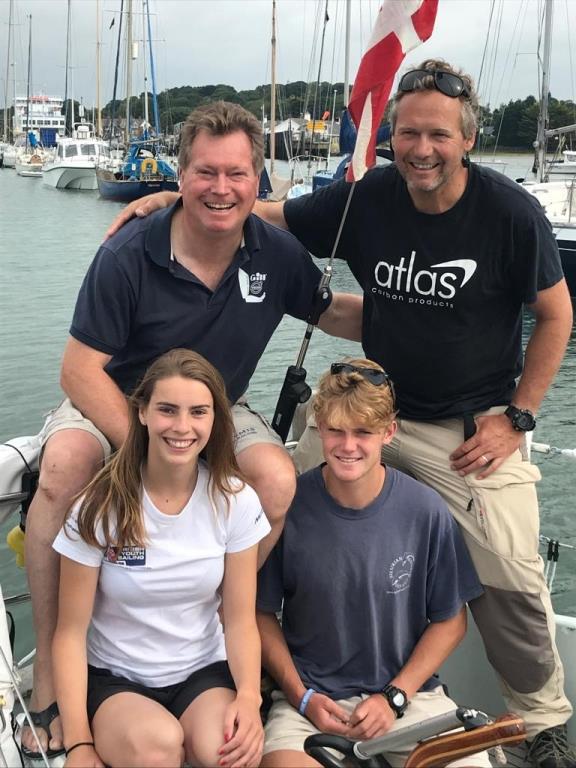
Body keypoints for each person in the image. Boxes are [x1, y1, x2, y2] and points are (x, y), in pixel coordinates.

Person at [108, 61, 575, 768]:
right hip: (366, 409)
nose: (421, 148)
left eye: (438, 135)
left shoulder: (510, 213)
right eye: (407, 133)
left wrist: (518, 416)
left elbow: (554, 316)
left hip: (464, 428)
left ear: (468, 139)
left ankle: (544, 722)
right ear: (390, 136)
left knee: (508, 563)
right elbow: (269, 213)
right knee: (268, 501)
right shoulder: (369, 199)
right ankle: (239, 666)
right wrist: (175, 198)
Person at [21, 100, 362, 758]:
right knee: (63, 469)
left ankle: (206, 627)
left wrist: (421, 320)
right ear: (180, 175)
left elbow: (331, 314)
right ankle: (50, 686)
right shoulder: (129, 252)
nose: (221, 188)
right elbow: (77, 371)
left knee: (275, 479)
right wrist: (148, 451)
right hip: (119, 397)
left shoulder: (276, 253)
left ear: (258, 179)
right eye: (206, 172)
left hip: (214, 406)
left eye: (237, 174)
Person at [256, 359, 489, 768]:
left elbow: (451, 620)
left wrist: (394, 697)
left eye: (363, 432)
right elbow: (259, 613)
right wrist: (301, 696)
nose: (348, 447)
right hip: (309, 703)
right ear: (318, 427)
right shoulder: (287, 507)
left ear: (389, 432)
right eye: (336, 431)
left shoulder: (426, 511)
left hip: (408, 700)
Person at [52, 348, 267, 768]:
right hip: (117, 679)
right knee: (159, 747)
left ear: (214, 419)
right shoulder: (100, 505)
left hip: (202, 674)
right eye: (167, 409)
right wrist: (79, 743)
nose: (182, 427)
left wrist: (248, 697)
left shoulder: (235, 501)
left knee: (228, 751)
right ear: (143, 412)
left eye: (198, 412)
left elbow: (240, 620)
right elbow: (69, 634)